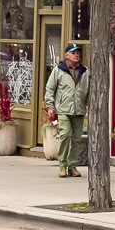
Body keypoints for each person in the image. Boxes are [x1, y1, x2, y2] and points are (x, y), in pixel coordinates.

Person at [43, 43, 89, 178]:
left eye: (77, 53)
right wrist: (50, 106)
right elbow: (50, 89)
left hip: (79, 110)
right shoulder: (58, 70)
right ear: (66, 55)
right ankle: (62, 165)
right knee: (65, 135)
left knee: (76, 139)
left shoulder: (85, 71)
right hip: (63, 109)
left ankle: (72, 166)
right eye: (73, 53)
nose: (76, 55)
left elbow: (89, 91)